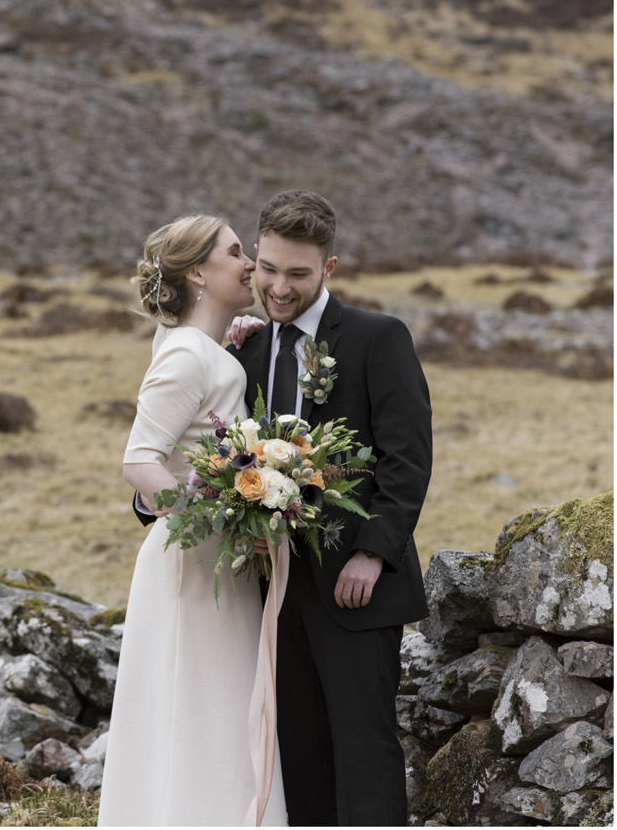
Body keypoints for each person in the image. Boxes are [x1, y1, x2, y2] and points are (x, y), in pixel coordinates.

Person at [226, 191, 429, 825]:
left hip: (355, 589)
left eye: (298, 274)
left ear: (330, 269)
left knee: (364, 751)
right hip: (274, 592)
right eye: (268, 269)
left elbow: (407, 459)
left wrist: (371, 553)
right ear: (255, 259)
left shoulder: (377, 337)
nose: (279, 289)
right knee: (299, 755)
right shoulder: (246, 354)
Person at [98, 214, 287, 826]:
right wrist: (219, 516)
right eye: (236, 253)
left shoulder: (194, 345)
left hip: (213, 560)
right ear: (199, 272)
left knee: (214, 703)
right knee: (205, 702)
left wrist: (226, 340)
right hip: (194, 557)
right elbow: (139, 463)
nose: (250, 264)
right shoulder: (185, 352)